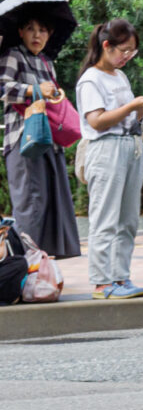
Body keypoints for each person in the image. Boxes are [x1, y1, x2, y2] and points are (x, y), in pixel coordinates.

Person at [75, 19, 143, 299]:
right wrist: (131, 105)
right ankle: (101, 282)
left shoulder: (120, 77)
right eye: (125, 50)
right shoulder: (90, 79)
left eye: (132, 52)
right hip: (105, 148)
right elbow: (96, 121)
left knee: (127, 219)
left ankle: (121, 277)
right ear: (106, 46)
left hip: (129, 145)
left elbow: (126, 116)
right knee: (105, 218)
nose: (127, 57)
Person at [0, 15, 81, 259]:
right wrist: (32, 89)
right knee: (30, 204)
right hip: (23, 140)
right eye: (30, 29)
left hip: (50, 141)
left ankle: (43, 266)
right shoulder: (13, 55)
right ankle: (23, 266)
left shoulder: (47, 62)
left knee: (52, 205)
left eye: (43, 30)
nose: (37, 35)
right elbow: (2, 88)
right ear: (21, 33)